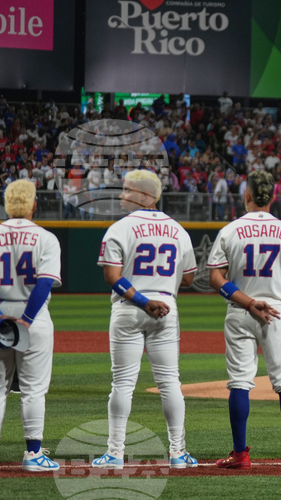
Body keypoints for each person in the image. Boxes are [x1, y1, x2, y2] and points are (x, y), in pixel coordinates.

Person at [208, 171, 281, 469]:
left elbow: (215, 278)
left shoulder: (231, 230)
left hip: (239, 309)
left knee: (240, 382)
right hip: (276, 312)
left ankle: (240, 454)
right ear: (273, 197)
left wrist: (248, 300)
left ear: (247, 196)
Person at [93, 170, 198, 470]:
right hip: (166, 307)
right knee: (170, 383)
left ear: (144, 196)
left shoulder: (120, 228)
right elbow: (189, 278)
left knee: (122, 384)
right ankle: (178, 453)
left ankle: (114, 452)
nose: (121, 195)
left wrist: (142, 300)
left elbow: (112, 277)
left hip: (129, 308)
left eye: (127, 190)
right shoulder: (178, 230)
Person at [0, 180, 61, 472]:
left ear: (7, 204)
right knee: (34, 390)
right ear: (34, 205)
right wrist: (26, 320)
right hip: (33, 318)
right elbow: (44, 282)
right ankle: (33, 455)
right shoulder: (46, 238)